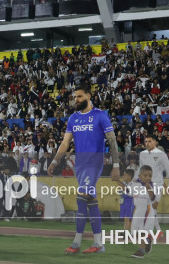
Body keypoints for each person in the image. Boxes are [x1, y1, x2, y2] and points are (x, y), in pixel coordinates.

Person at [48, 84, 120, 254]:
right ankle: (98, 244)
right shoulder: (73, 118)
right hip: (80, 165)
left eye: (79, 96)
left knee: (81, 198)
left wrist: (116, 165)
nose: (76, 99)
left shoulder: (100, 116)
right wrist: (54, 161)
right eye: (75, 97)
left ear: (89, 96)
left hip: (93, 163)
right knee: (91, 202)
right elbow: (65, 143)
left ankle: (76, 243)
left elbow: (112, 141)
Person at [138, 134, 169, 231]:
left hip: (157, 184)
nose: (147, 144)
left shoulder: (161, 154)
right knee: (148, 207)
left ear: (155, 142)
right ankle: (158, 230)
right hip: (146, 185)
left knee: (152, 206)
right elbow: (141, 170)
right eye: (146, 142)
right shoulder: (142, 154)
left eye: (149, 141)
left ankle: (152, 230)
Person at [129, 165, 156, 258]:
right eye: (145, 175)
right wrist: (117, 181)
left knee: (141, 232)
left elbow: (153, 197)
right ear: (140, 175)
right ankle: (147, 241)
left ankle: (141, 251)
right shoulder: (135, 183)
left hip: (146, 211)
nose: (148, 178)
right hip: (138, 211)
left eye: (150, 176)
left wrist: (148, 187)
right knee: (134, 233)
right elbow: (127, 190)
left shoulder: (151, 184)